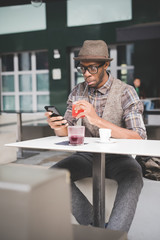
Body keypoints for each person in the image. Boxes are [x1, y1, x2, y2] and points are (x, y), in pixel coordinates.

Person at [45, 40, 147, 233]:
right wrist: (57, 127)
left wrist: (96, 119)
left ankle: (114, 235)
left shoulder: (126, 92)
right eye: (82, 68)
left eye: (92, 68)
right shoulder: (78, 91)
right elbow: (67, 130)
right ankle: (95, 227)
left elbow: (139, 137)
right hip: (85, 156)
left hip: (119, 157)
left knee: (134, 178)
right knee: (52, 176)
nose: (86, 74)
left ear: (106, 65)